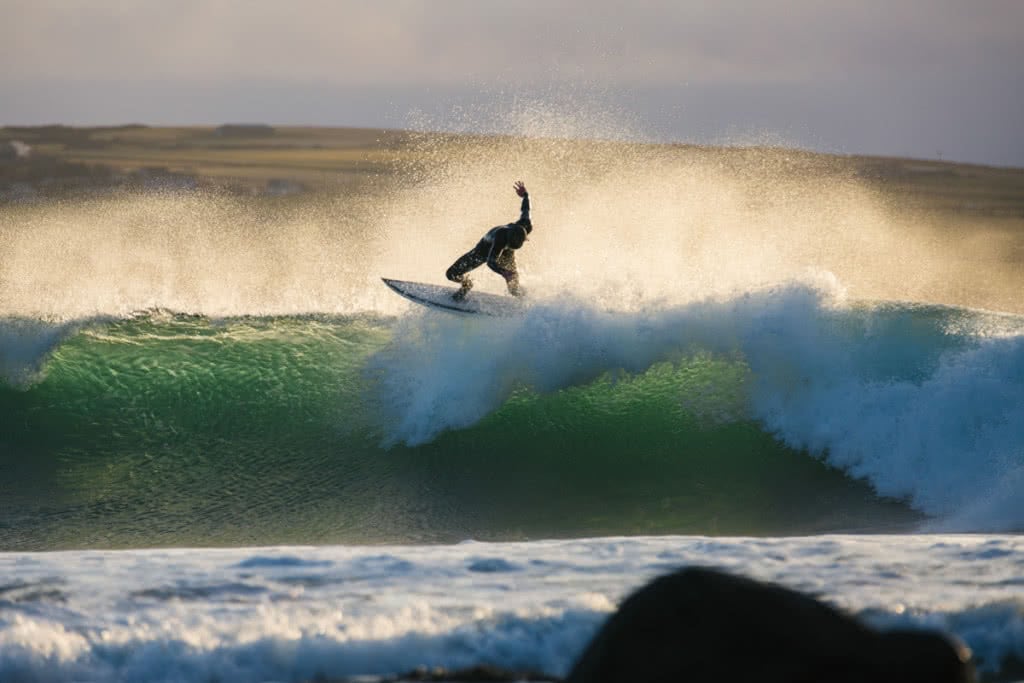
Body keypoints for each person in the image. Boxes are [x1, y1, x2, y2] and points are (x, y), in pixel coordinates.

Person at [445, 181, 532, 300]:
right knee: (451, 274)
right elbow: (491, 262)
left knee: (514, 289)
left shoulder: (525, 225)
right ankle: (467, 285)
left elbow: (525, 210)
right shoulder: (500, 238)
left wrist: (525, 195)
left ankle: (529, 301)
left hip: (507, 253)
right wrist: (504, 272)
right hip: (482, 252)